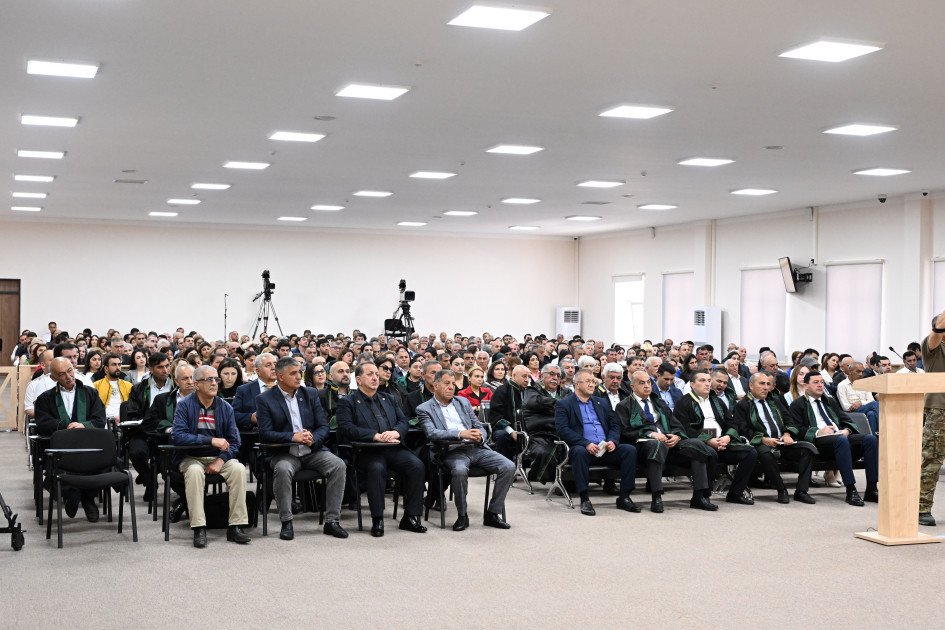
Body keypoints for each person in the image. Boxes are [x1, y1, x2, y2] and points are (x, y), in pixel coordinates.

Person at [256, 357, 348, 540]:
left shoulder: (310, 394)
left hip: (312, 451)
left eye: (299, 372)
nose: (299, 377)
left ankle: (332, 521)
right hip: (285, 453)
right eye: (293, 373)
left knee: (338, 465)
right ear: (280, 376)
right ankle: (287, 521)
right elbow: (265, 434)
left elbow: (323, 427)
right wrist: (293, 437)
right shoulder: (265, 399)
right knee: (283, 469)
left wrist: (312, 439)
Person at [335, 362, 427, 537]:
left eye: (376, 374)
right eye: (370, 374)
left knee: (416, 465)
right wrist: (374, 435)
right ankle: (378, 519)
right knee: (377, 469)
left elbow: (403, 421)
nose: (375, 378)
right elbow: (346, 428)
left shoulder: (389, 398)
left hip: (392, 448)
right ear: (358, 380)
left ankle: (410, 517)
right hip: (367, 451)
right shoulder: (348, 402)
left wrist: (396, 432)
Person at [416, 369, 514, 531]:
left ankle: (492, 513)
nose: (451, 387)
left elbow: (479, 426)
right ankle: (463, 515)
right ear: (435, 385)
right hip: (451, 451)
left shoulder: (462, 402)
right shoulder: (424, 408)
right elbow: (432, 433)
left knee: (509, 466)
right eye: (446, 383)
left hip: (476, 447)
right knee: (460, 471)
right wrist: (460, 434)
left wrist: (480, 436)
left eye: (453, 383)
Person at [171, 365, 251, 548]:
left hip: (218, 457)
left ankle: (236, 526)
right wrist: (211, 440)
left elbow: (235, 441)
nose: (214, 383)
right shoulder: (184, 405)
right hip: (190, 457)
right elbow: (178, 436)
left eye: (216, 379)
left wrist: (221, 460)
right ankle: (199, 527)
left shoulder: (225, 407)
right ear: (196, 384)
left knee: (238, 469)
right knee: (194, 472)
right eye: (209, 380)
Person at [614, 370, 716, 512]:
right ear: (632, 386)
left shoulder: (659, 402)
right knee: (656, 445)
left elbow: (676, 424)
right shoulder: (624, 405)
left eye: (648, 382)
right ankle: (656, 497)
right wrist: (651, 434)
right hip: (644, 445)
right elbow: (626, 431)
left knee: (697, 446)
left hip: (669, 442)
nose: (647, 386)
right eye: (642, 383)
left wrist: (676, 436)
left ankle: (699, 497)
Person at [554, 368, 640, 516]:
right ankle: (584, 498)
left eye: (593, 381)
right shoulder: (564, 404)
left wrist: (612, 441)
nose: (592, 384)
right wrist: (586, 443)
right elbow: (563, 430)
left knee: (629, 450)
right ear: (577, 384)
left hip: (605, 448)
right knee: (579, 452)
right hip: (583, 448)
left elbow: (615, 425)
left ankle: (624, 497)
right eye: (588, 381)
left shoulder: (602, 402)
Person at [788, 371, 879, 507]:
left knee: (870, 439)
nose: (820, 385)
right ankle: (851, 490)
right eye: (816, 382)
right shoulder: (798, 404)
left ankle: (871, 489)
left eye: (822, 382)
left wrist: (847, 430)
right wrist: (818, 431)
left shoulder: (830, 401)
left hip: (840, 437)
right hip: (820, 443)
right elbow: (797, 430)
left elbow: (846, 419)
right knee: (841, 440)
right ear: (806, 386)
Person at [34, 357, 107, 522]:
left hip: (89, 446)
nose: (68, 376)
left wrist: (83, 425)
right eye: (62, 374)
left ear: (74, 369)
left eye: (69, 371)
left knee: (105, 463)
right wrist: (65, 426)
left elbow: (99, 419)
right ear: (53, 377)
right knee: (56, 467)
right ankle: (74, 495)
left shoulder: (90, 393)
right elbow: (43, 423)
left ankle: (86, 497)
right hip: (62, 450)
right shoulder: (45, 398)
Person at [673, 370, 758, 506]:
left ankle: (735, 493)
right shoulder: (683, 403)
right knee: (709, 452)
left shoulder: (717, 401)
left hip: (722, 442)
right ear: (692, 384)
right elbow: (685, 429)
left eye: (708, 380)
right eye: (702, 380)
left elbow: (732, 423)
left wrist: (728, 437)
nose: (707, 384)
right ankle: (703, 496)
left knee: (750, 452)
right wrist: (708, 440)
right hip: (701, 444)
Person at [733, 373, 816, 504]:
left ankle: (801, 491)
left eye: (768, 384)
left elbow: (789, 420)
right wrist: (763, 439)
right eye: (762, 384)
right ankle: (781, 489)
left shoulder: (775, 401)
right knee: (765, 453)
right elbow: (743, 430)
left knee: (807, 449)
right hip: (761, 442)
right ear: (751, 385)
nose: (766, 387)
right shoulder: (743, 405)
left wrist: (787, 434)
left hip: (782, 441)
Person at [920, 312, 945, 526]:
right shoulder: (932, 347)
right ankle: (922, 508)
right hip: (939, 411)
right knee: (932, 460)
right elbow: (938, 331)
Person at [488, 364, 529, 462]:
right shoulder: (501, 391)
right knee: (501, 435)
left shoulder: (530, 392)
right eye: (524, 376)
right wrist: (511, 431)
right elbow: (496, 416)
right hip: (505, 429)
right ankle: (507, 467)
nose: (527, 380)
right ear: (514, 375)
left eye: (528, 377)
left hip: (527, 429)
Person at [233, 353, 278, 430]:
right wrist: (251, 418)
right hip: (255, 434)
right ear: (257, 371)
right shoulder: (244, 390)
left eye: (275, 364)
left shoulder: (287, 388)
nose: (273, 368)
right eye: (268, 365)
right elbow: (233, 415)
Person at [836, 362, 880, 433]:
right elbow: (845, 407)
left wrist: (860, 402)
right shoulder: (842, 385)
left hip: (866, 409)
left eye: (862, 371)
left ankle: (874, 436)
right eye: (858, 371)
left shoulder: (864, 384)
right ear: (850, 372)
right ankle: (883, 429)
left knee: (871, 413)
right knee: (875, 404)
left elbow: (871, 400)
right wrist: (859, 404)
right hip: (851, 412)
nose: (861, 374)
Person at [93, 353, 133, 426]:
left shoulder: (129, 386)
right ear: (106, 368)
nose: (118, 367)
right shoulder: (96, 385)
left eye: (119, 364)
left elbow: (132, 407)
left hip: (124, 421)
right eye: (114, 365)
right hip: (103, 421)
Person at [23, 349, 55, 418]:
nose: (56, 362)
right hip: (44, 420)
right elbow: (29, 408)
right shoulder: (34, 384)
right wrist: (47, 415)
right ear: (43, 365)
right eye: (52, 360)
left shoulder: (67, 381)